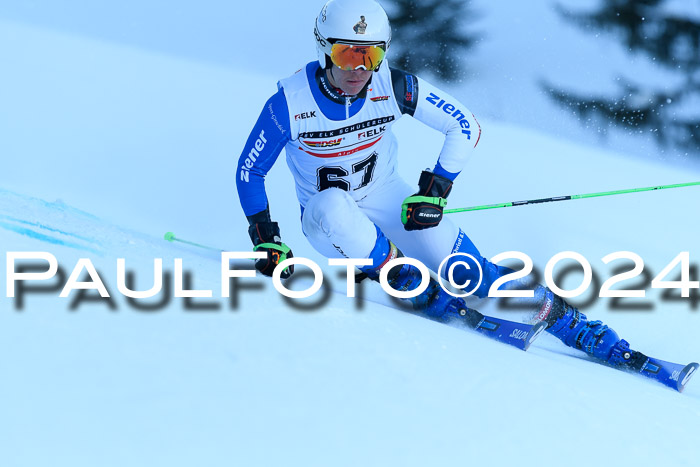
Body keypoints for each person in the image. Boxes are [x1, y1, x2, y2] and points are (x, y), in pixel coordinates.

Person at [236, 0, 644, 369]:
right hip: (328, 224)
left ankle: (580, 329)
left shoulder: (391, 86)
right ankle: (411, 284)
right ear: (324, 49)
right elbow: (250, 171)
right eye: (347, 54)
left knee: (472, 275)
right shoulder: (289, 103)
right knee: (332, 206)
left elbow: (463, 125)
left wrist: (435, 190)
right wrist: (265, 237)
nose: (358, 70)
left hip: (385, 197)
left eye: (370, 55)